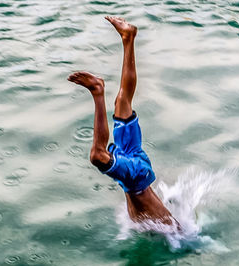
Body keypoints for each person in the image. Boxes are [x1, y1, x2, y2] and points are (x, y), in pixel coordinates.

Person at [68, 17, 176, 226]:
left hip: (137, 164)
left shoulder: (171, 231)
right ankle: (97, 91)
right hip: (135, 177)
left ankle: (129, 37)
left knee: (122, 101)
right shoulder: (176, 235)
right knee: (98, 155)